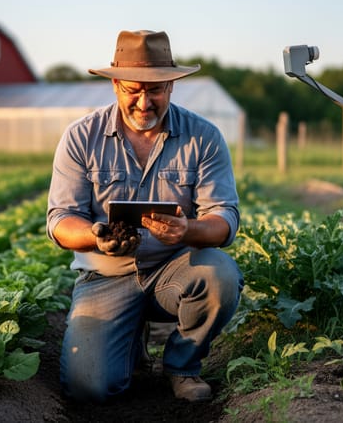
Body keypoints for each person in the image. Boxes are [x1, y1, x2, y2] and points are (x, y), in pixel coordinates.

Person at [46, 29, 244, 403]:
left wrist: (187, 229)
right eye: (132, 90)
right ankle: (128, 344)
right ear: (115, 85)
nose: (143, 102)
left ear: (171, 86)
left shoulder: (202, 137)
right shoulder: (81, 137)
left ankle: (183, 367)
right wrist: (96, 235)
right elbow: (61, 220)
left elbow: (224, 221)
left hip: (174, 269)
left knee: (220, 276)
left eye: (154, 90)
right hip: (106, 275)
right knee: (89, 388)